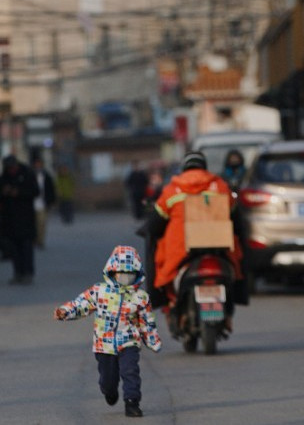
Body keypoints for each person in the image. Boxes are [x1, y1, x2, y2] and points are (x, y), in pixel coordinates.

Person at [54, 245, 162, 418]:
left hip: (128, 341)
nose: (125, 278)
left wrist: (152, 340)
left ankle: (132, 402)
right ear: (112, 272)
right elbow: (81, 304)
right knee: (108, 380)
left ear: (137, 274)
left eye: (130, 275)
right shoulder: (99, 291)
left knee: (130, 371)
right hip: (104, 344)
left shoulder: (141, 297)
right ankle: (109, 391)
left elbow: (147, 321)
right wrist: (65, 311)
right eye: (121, 274)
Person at [148, 151, 242, 308]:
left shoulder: (172, 190)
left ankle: (167, 301)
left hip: (180, 251)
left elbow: (155, 224)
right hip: (220, 249)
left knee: (157, 250)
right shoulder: (220, 186)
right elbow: (235, 217)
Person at [0, 154, 39, 285]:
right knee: (14, 249)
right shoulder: (4, 177)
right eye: (9, 168)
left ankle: (28, 273)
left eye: (12, 168)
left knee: (26, 247)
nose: (11, 171)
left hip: (25, 218)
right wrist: (4, 193)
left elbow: (35, 191)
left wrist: (19, 192)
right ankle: (18, 273)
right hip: (10, 219)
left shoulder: (27, 173)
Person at [31, 154, 57, 248]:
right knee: (34, 223)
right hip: (32, 203)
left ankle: (40, 240)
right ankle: (35, 239)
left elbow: (51, 189)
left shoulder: (46, 176)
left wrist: (51, 201)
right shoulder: (31, 175)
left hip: (42, 203)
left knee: (42, 223)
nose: (37, 165)